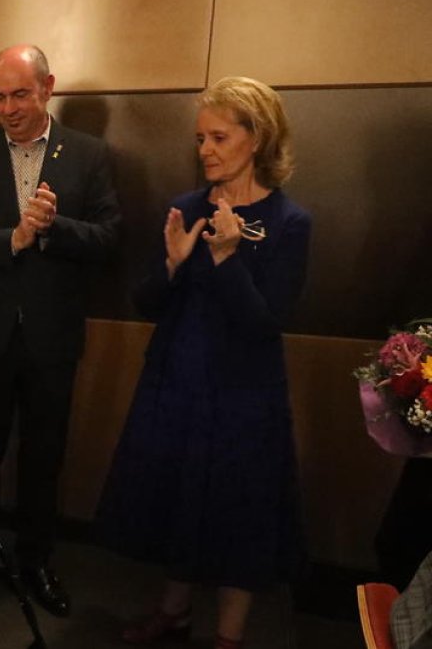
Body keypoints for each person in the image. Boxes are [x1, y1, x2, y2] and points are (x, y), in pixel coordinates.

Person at [93, 76, 310, 649]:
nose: (205, 150)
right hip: (179, 376)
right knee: (179, 496)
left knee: (238, 506)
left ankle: (229, 635)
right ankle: (175, 613)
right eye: (200, 139)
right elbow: (147, 302)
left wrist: (227, 258)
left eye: (219, 136)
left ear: (256, 137)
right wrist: (171, 266)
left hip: (245, 390)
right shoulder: (186, 208)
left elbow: (265, 325)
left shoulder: (290, 222)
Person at [0, 43, 121, 616]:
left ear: (47, 88)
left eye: (19, 94)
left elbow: (110, 238)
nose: (7, 108)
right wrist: (9, 240)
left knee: (44, 457)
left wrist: (53, 228)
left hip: (52, 338)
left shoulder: (88, 155)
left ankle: (35, 562)